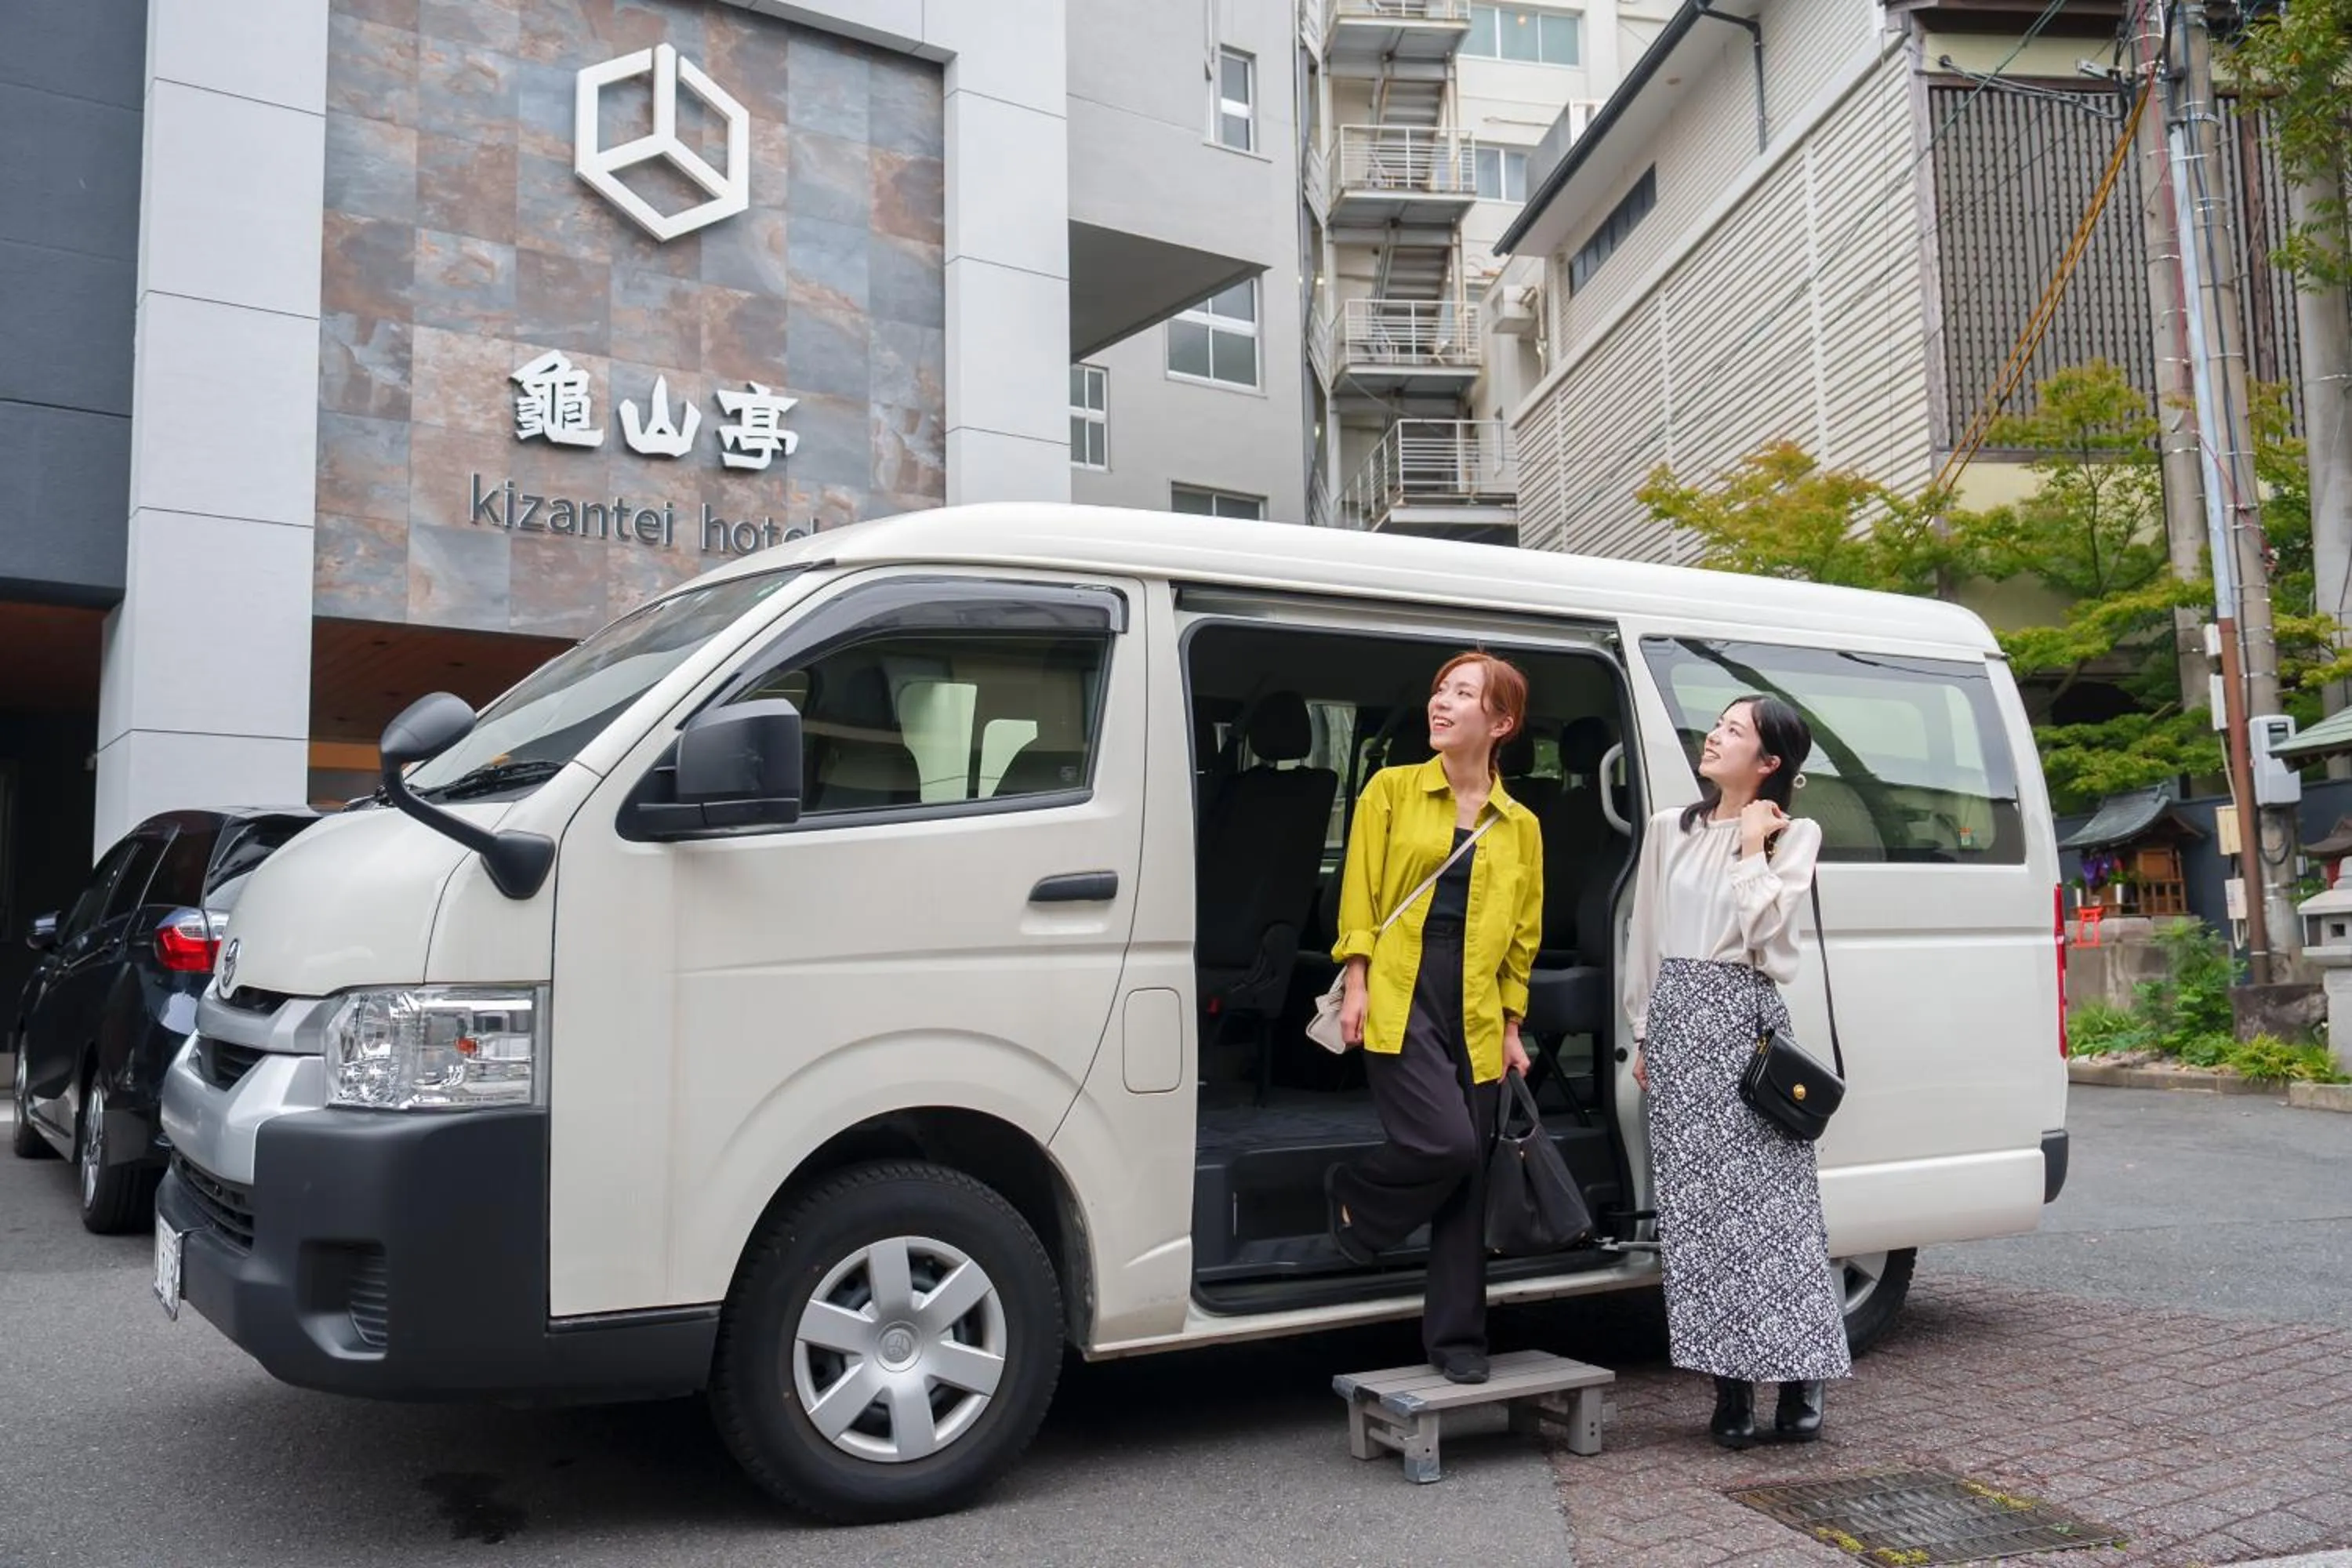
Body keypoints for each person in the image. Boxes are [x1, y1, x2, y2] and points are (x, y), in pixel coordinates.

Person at [1623, 695, 1851, 1446]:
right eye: (1717, 725)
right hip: (1681, 1021)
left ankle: (1800, 1374)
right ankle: (1729, 1389)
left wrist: (1753, 844)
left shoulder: (1796, 833)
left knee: (1774, 1216)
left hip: (1744, 1021)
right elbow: (1646, 936)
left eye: (1734, 730)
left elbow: (1769, 937)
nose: (1715, 736)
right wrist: (1644, 1030)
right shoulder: (1670, 829)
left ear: (1770, 762)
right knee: (1702, 1219)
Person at [1325, 652, 1545, 1384]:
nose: (1441, 704)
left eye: (1462, 694)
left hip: (1478, 1002)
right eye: (1439, 691)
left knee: (1470, 1179)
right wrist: (1356, 982)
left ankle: (1458, 1343)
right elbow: (1359, 891)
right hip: (1399, 987)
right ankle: (1356, 1198)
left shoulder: (1521, 825)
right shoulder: (1388, 791)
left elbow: (1523, 939)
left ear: (1501, 722)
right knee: (1446, 1147)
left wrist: (1513, 1027)